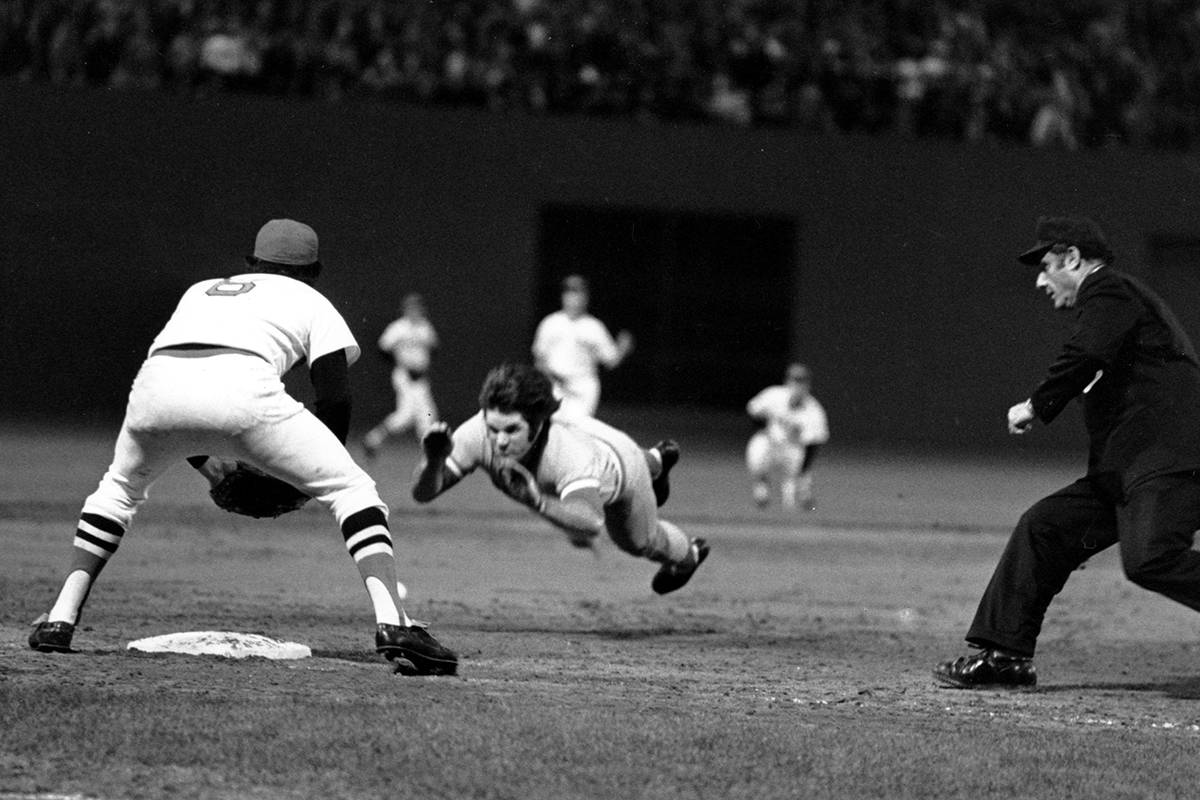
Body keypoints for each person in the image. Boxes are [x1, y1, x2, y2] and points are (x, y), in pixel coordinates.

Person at [27, 219, 458, 676]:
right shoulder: (312, 299)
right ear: (313, 270)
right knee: (355, 490)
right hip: (245, 394)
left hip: (153, 392)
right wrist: (312, 483)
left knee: (117, 489)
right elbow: (334, 396)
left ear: (252, 263)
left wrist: (211, 468)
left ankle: (59, 618)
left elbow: (182, 386)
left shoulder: (200, 291)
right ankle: (394, 624)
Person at [934, 215, 1200, 689]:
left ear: (1074, 259)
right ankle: (1005, 658)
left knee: (1150, 559)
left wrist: (1037, 404)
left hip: (1172, 461)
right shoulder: (1115, 309)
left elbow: (1085, 355)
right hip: (1125, 473)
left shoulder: (1109, 290)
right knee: (1044, 527)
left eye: (1046, 265)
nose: (1039, 279)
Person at [410, 362, 708, 595]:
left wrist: (539, 502)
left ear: (537, 423)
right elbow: (423, 494)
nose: (499, 442)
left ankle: (688, 556)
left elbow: (590, 523)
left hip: (622, 472)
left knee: (640, 542)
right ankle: (655, 460)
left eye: (512, 430)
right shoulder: (477, 433)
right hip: (597, 445)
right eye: (493, 428)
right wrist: (433, 462)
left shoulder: (567, 454)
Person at [531, 274, 634, 418]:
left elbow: (611, 360)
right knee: (554, 430)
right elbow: (539, 359)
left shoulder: (594, 326)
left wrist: (622, 348)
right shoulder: (550, 323)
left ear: (586, 297)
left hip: (583, 386)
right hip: (556, 385)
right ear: (563, 296)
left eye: (577, 293)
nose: (573, 298)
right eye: (569, 293)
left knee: (579, 429)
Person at [362, 292, 440, 459]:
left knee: (413, 415)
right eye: (412, 308)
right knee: (421, 415)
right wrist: (401, 362)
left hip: (421, 378)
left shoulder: (425, 327)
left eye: (417, 307)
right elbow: (382, 348)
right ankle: (431, 455)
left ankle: (373, 439)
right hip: (404, 376)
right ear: (405, 310)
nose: (415, 310)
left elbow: (434, 347)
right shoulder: (398, 328)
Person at [745, 363, 829, 511]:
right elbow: (752, 410)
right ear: (787, 381)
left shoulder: (814, 410)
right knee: (758, 447)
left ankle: (797, 498)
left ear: (808, 384)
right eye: (795, 380)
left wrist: (804, 472)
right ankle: (762, 487)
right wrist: (765, 427)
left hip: (792, 450)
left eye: (802, 381)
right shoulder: (773, 395)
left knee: (793, 496)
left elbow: (814, 445)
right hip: (770, 442)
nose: (798, 385)